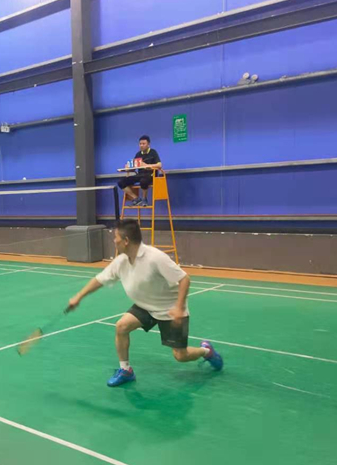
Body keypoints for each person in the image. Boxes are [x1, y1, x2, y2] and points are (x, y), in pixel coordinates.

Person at [67, 219, 223, 387]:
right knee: (121, 327)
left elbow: (184, 279)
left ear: (126, 241)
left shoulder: (155, 258)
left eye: (116, 237)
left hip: (169, 310)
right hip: (145, 306)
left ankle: (206, 351)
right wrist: (79, 296)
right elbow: (100, 279)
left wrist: (179, 307)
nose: (114, 241)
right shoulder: (121, 261)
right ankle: (126, 370)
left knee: (181, 356)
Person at [117, 135, 162, 207]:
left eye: (143, 144)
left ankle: (144, 199)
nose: (141, 145)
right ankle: (136, 198)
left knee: (143, 181)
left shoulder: (153, 152)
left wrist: (146, 165)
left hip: (150, 175)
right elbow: (134, 167)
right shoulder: (138, 154)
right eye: (140, 144)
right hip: (140, 174)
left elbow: (159, 165)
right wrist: (128, 167)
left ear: (148, 144)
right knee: (121, 182)